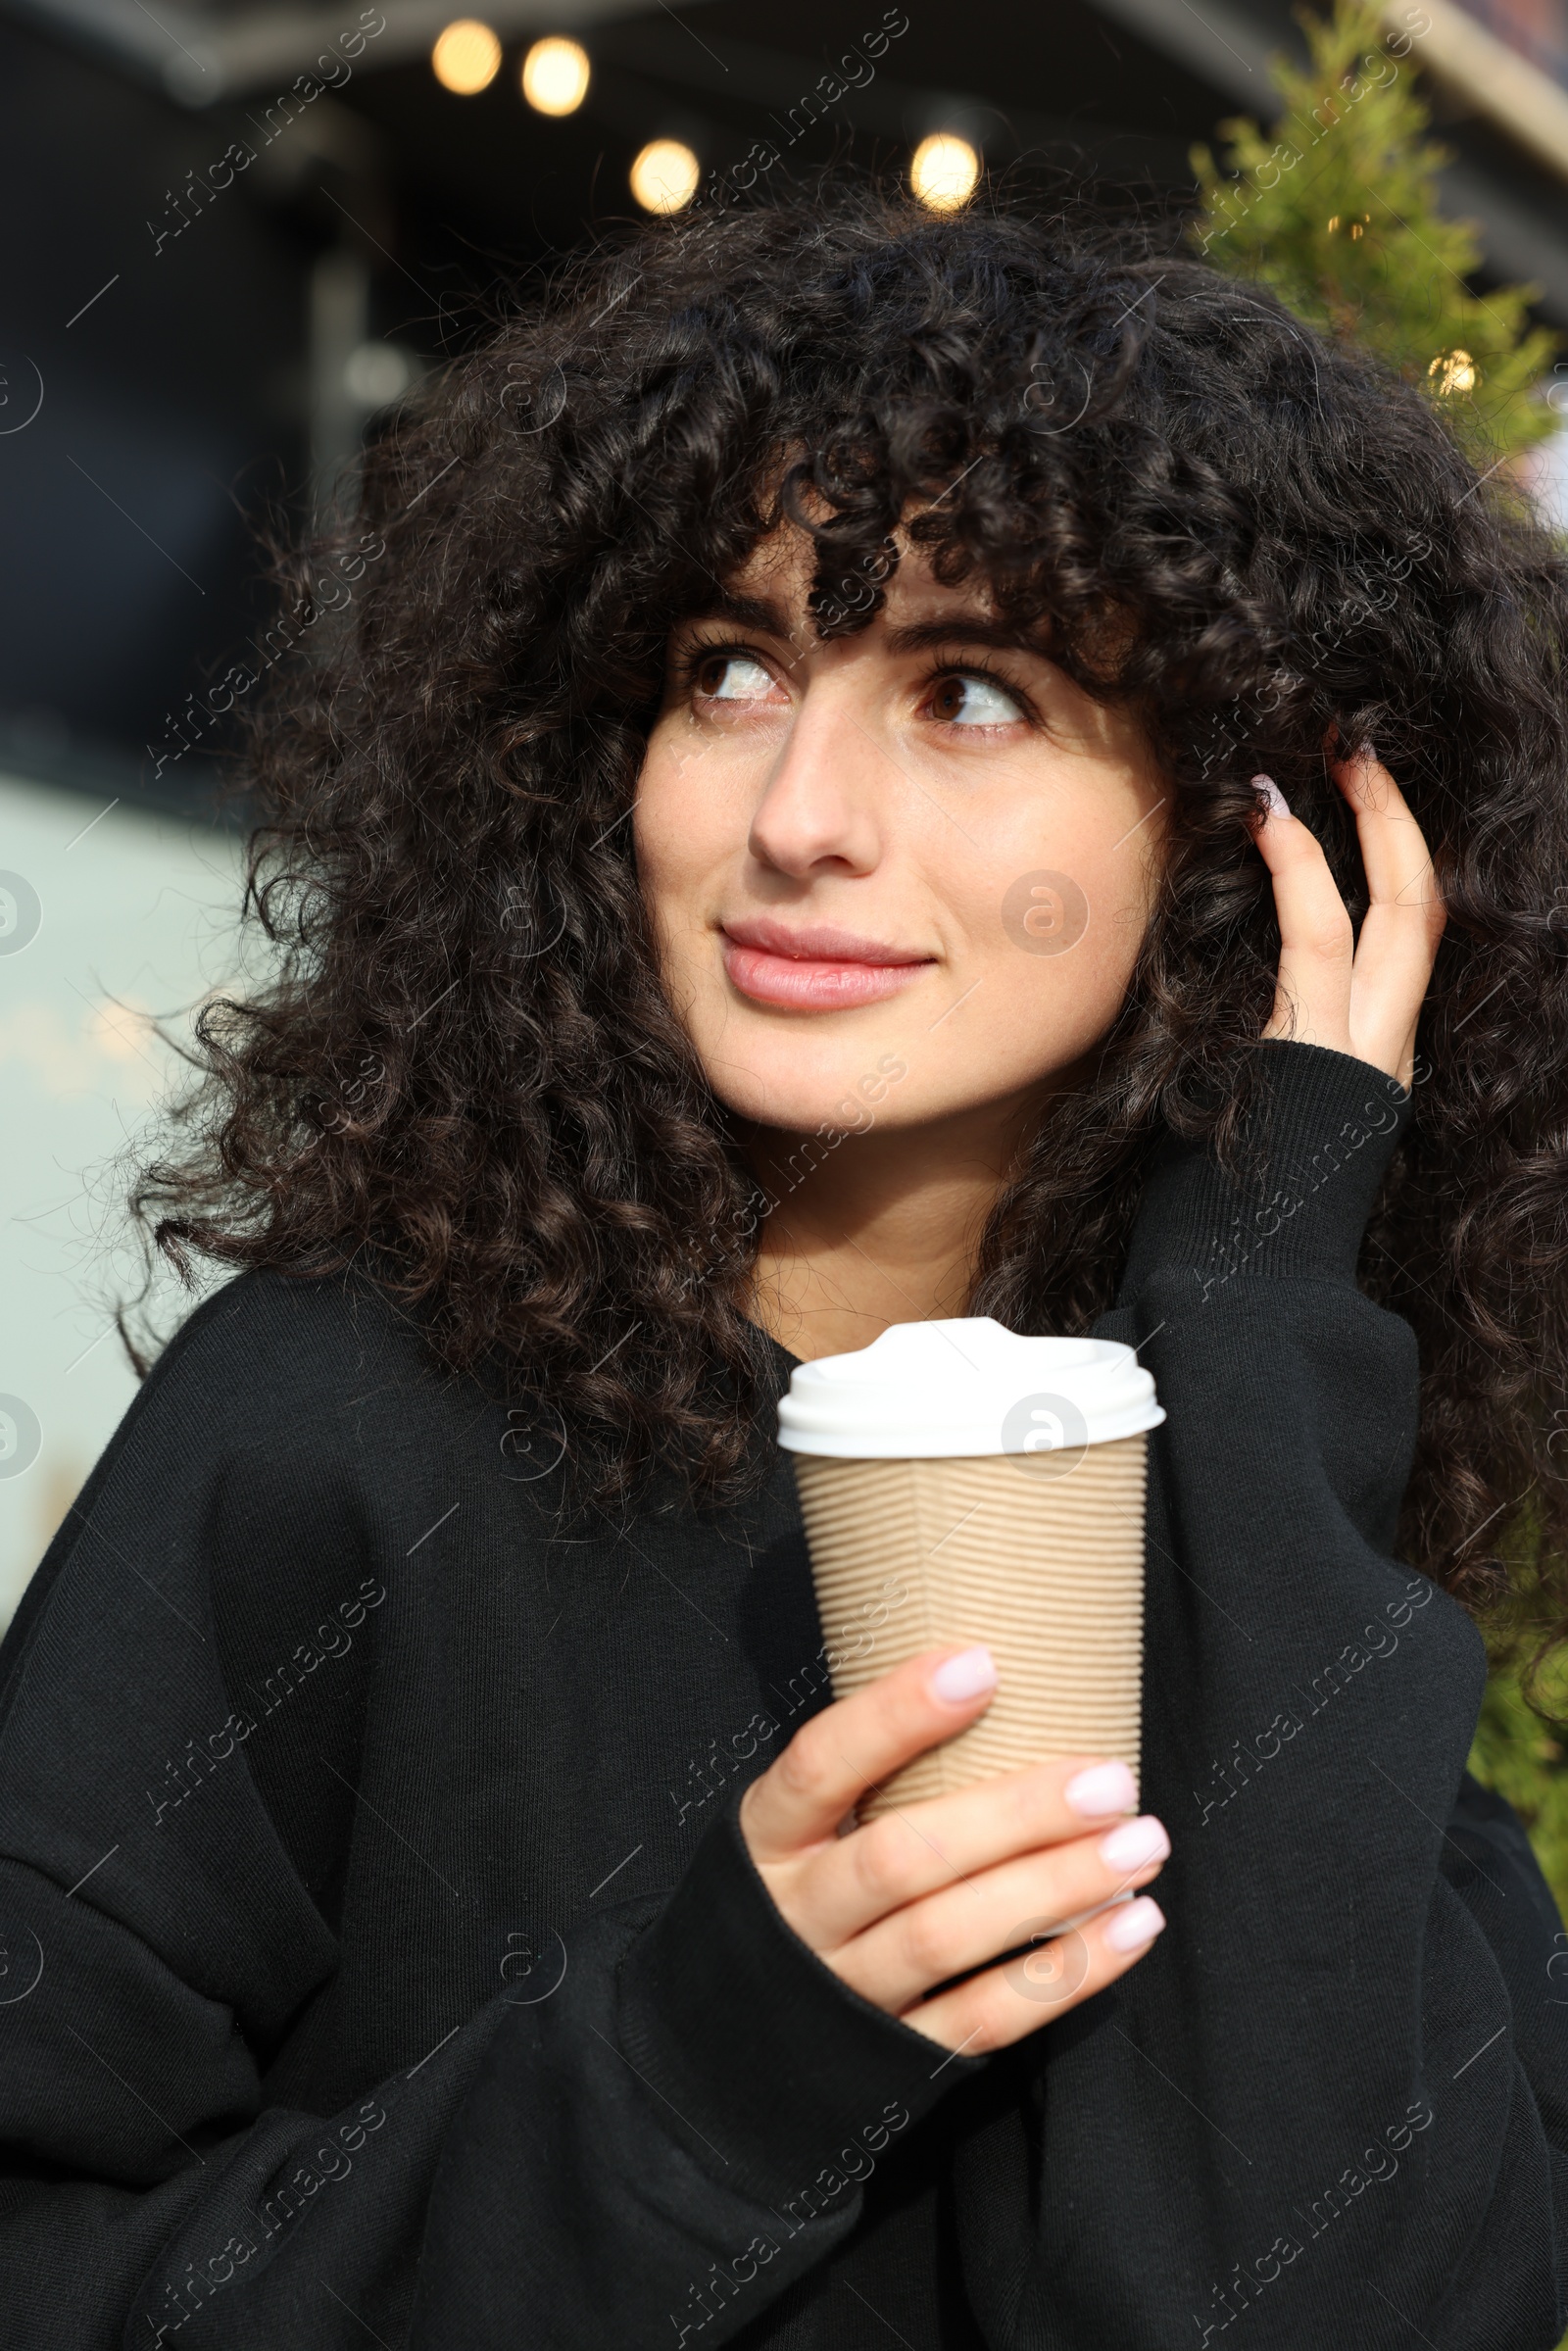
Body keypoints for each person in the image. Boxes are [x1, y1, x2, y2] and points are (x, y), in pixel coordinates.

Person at [2, 180, 1566, 2351]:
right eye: (729, 667)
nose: (800, 811)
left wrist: (1275, 1299)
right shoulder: (341, 1421)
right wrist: (701, 2072)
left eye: (972, 693)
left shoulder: (1240, 1485)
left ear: (1248, 831)